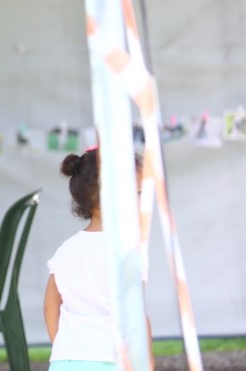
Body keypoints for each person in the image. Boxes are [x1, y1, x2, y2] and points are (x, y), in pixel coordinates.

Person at [43, 148, 153, 370]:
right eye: (138, 192)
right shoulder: (130, 251)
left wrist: (63, 348)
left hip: (67, 360)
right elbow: (136, 313)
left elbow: (50, 306)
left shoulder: (65, 251)